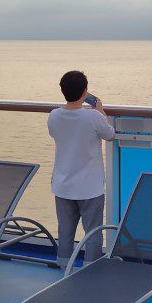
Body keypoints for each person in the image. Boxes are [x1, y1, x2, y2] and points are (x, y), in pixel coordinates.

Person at [47, 70, 115, 268]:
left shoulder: (54, 116)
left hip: (63, 185)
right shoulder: (93, 117)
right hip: (89, 187)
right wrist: (101, 112)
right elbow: (110, 134)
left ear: (62, 90)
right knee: (93, 232)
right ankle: (90, 268)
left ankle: (63, 265)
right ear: (85, 92)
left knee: (65, 230)